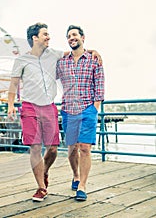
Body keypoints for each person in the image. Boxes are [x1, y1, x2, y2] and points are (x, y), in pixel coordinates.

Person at [8, 22, 101, 202]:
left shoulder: (54, 55)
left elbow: (77, 51)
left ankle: (45, 171)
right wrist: (10, 104)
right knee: (35, 147)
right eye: (45, 34)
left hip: (49, 106)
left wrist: (94, 51)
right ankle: (41, 188)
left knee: (52, 148)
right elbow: (13, 83)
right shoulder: (21, 60)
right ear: (35, 38)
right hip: (29, 106)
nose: (49, 37)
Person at [56, 25, 105, 201]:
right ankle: (75, 176)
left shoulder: (94, 59)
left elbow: (99, 84)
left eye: (74, 35)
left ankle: (82, 186)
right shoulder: (61, 62)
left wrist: (95, 107)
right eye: (69, 36)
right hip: (69, 110)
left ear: (82, 37)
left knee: (84, 148)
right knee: (72, 149)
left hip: (87, 109)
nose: (71, 38)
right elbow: (45, 73)